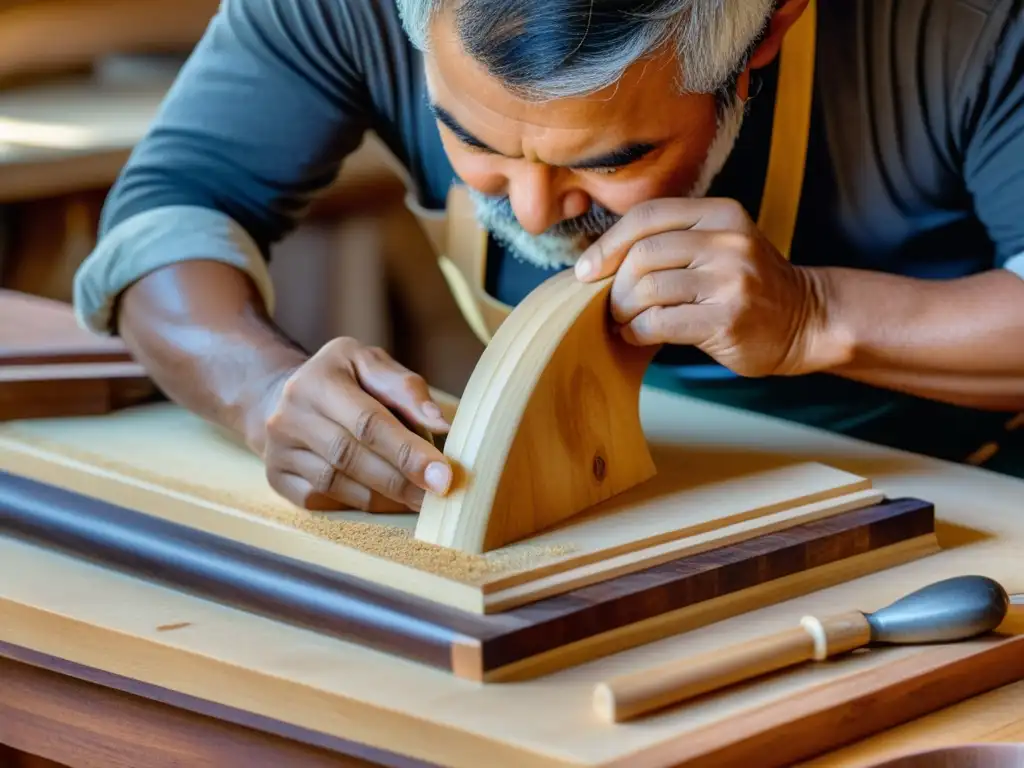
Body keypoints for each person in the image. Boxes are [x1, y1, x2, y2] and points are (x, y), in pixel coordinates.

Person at [73, 0, 1024, 514]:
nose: (531, 207)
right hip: (584, 529)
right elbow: (165, 214)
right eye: (472, 141)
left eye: (615, 159)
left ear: (769, 29)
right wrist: (260, 390)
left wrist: (815, 315)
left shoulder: (962, 30)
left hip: (950, 513)